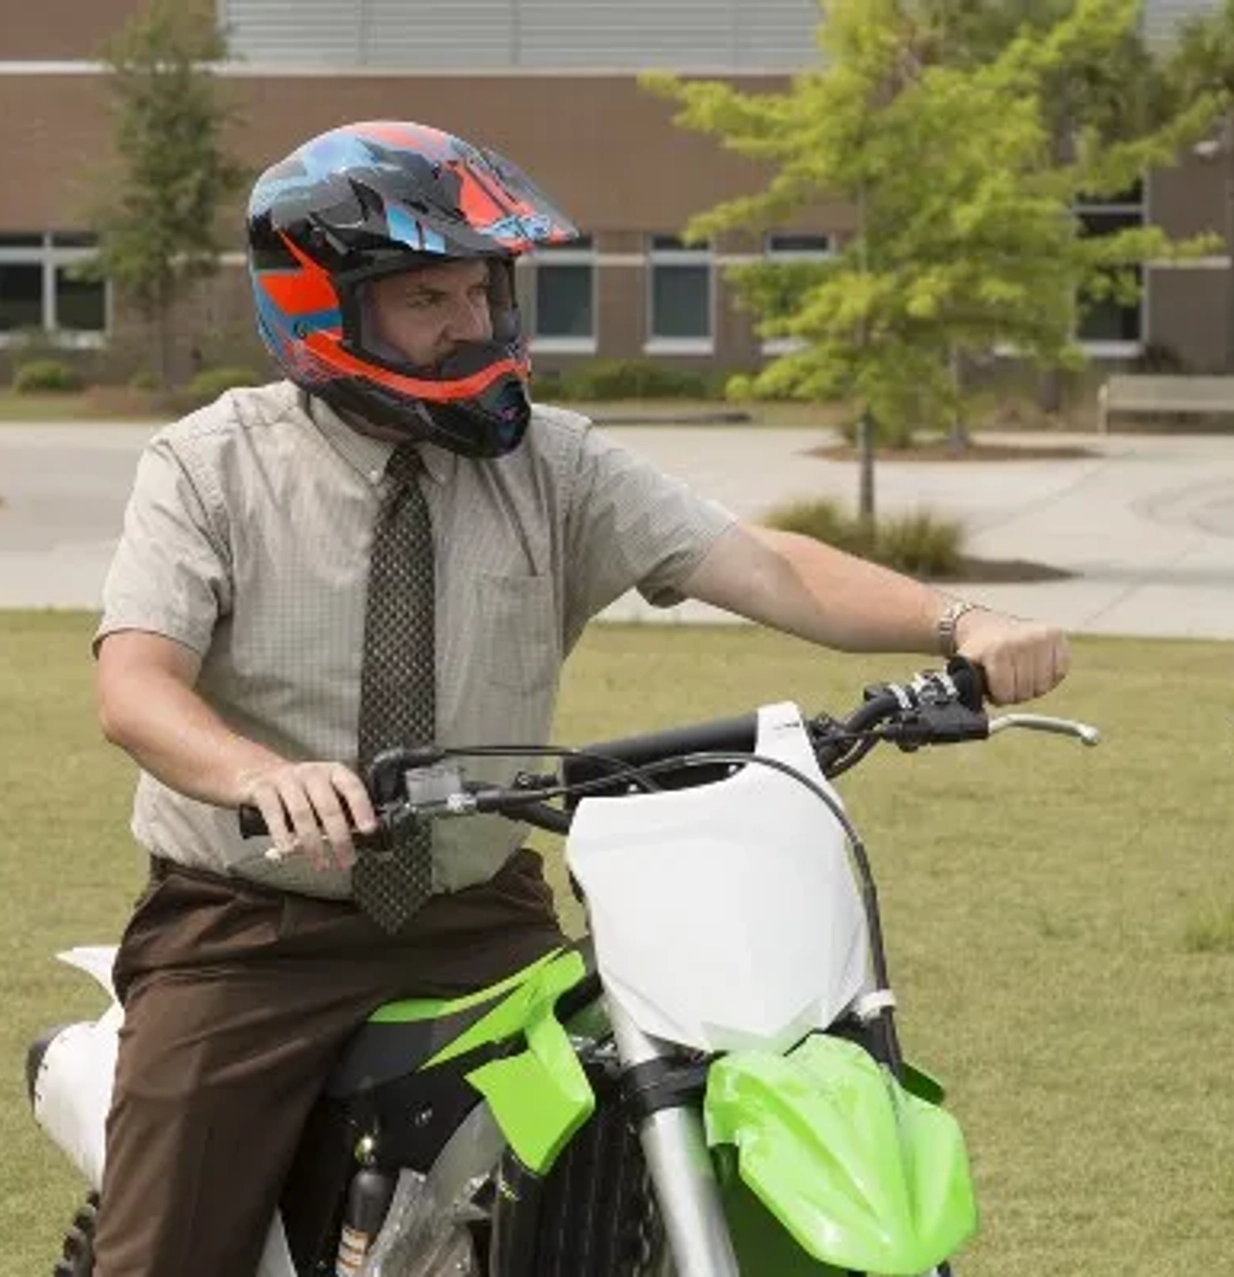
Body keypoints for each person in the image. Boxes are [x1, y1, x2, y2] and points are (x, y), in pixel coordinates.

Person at [87, 118, 1070, 1277]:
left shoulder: (551, 464)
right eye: (426, 300)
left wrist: (961, 620)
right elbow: (136, 681)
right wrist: (261, 773)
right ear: (321, 310)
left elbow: (759, 562)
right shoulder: (210, 467)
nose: (471, 324)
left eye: (482, 291)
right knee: (166, 1252)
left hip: (481, 918)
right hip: (251, 931)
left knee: (627, 1122)